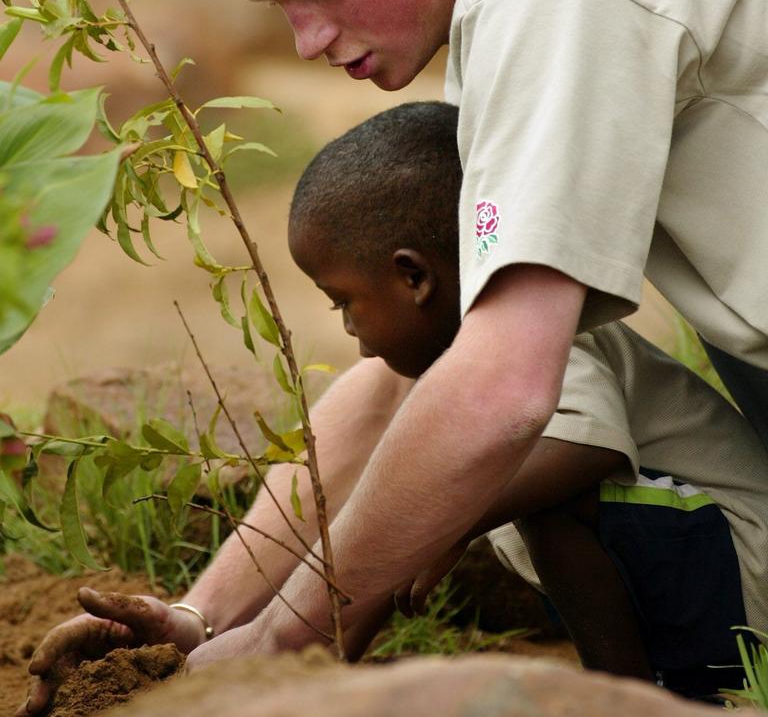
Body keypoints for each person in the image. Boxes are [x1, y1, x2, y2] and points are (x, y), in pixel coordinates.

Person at [20, 0, 768, 694]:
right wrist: (209, 617)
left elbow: (501, 389)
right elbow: (422, 364)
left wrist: (290, 641)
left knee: (504, 411)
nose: (306, 40)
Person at [17, 104, 768, 712]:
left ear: (413, 277)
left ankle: (626, 702)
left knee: (532, 496)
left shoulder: (526, 343)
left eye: (346, 300)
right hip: (694, 584)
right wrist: (212, 626)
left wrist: (450, 521)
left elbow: (590, 448)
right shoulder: (452, 362)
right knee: (411, 489)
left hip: (742, 571)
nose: (346, 327)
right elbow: (359, 508)